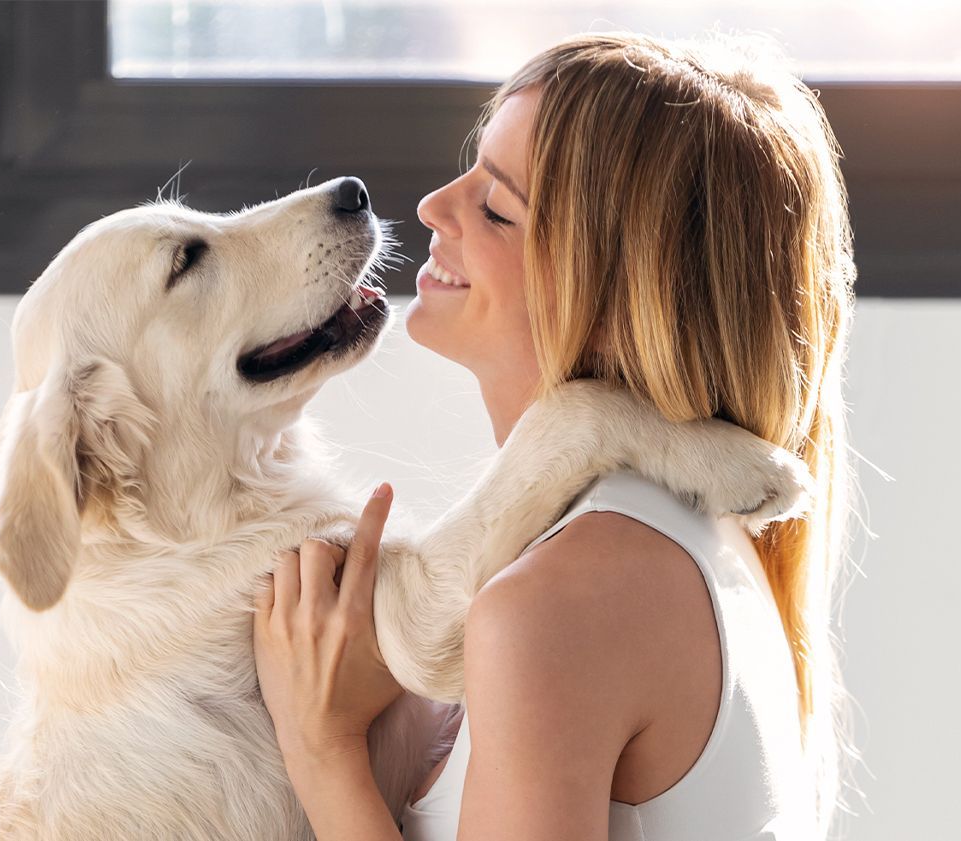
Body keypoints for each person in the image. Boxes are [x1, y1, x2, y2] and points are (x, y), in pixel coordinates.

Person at [252, 29, 858, 841]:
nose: (434, 207)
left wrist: (321, 749)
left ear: (621, 302)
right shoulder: (698, 528)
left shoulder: (558, 603)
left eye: (497, 209)